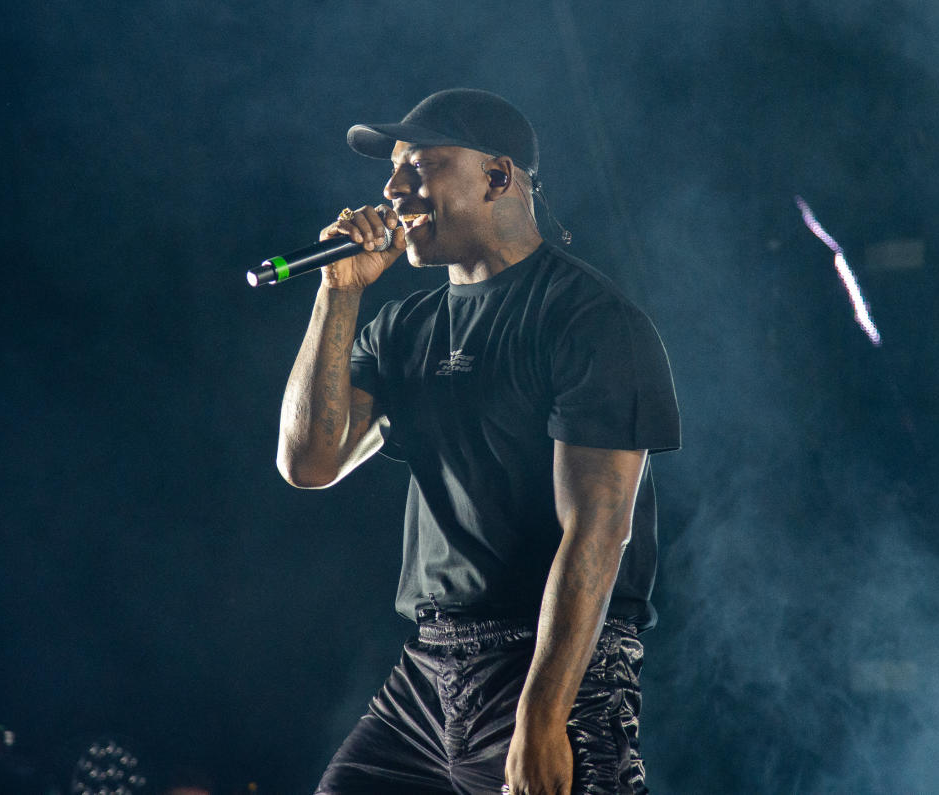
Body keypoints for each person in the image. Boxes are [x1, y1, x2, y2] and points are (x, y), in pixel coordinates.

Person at [276, 89, 680, 795]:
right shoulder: (402, 329)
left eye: (420, 167)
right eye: (392, 170)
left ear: (496, 177)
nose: (393, 190)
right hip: (428, 674)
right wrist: (338, 293)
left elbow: (599, 529)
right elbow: (307, 462)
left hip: (552, 665)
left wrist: (542, 717)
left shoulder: (591, 321)